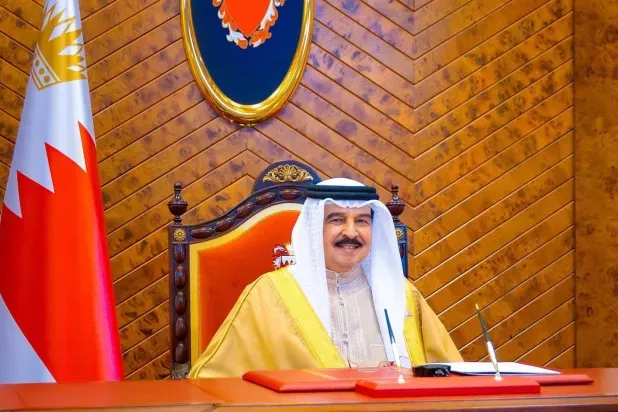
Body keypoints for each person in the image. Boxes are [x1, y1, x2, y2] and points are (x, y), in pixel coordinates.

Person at [189, 178, 462, 378]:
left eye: (362, 221)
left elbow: (451, 376)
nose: (351, 232)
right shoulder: (269, 294)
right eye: (337, 220)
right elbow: (216, 383)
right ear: (314, 229)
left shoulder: (401, 295)